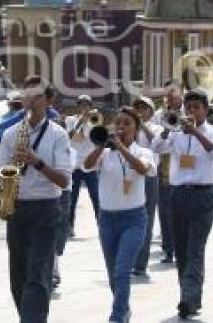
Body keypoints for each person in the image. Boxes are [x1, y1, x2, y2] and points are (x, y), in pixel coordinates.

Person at [0, 76, 71, 323]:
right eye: (28, 95)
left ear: (49, 100)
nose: (31, 100)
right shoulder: (10, 134)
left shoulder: (58, 135)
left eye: (38, 96)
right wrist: (10, 172)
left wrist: (36, 162)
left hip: (46, 208)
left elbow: (64, 180)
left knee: (38, 273)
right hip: (17, 207)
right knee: (18, 276)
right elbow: (0, 171)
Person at [157, 90, 213, 319]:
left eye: (197, 107)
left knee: (195, 249)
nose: (192, 111)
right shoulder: (176, 133)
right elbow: (157, 147)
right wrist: (168, 127)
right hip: (177, 195)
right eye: (189, 107)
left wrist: (195, 132)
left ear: (206, 109)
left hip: (203, 195)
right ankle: (190, 296)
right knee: (182, 251)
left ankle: (188, 298)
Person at [84, 107, 155, 323]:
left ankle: (116, 316)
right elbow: (86, 166)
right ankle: (123, 309)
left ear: (137, 128)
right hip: (107, 219)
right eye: (118, 123)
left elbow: (143, 168)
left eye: (127, 123)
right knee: (113, 272)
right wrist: (101, 146)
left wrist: (122, 147)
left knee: (123, 270)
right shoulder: (105, 153)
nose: (121, 127)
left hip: (133, 219)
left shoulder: (144, 151)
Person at [151, 81, 183, 264]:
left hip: (184, 168)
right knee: (164, 211)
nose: (170, 95)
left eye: (173, 92)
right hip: (164, 167)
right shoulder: (158, 115)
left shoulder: (190, 112)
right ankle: (168, 249)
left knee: (180, 212)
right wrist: (165, 129)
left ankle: (180, 248)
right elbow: (156, 144)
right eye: (167, 92)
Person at [132, 96, 162, 276]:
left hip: (149, 176)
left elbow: (157, 144)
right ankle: (130, 258)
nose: (141, 112)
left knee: (147, 218)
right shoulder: (129, 125)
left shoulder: (156, 127)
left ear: (151, 111)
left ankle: (141, 263)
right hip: (131, 175)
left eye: (144, 108)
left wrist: (142, 125)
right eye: (138, 108)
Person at [64, 95, 100, 237]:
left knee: (96, 198)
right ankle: (69, 227)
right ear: (78, 106)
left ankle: (101, 225)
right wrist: (81, 121)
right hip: (75, 165)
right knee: (72, 199)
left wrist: (90, 122)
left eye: (87, 105)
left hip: (90, 166)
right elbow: (70, 136)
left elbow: (98, 138)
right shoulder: (71, 120)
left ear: (90, 107)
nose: (84, 108)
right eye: (82, 105)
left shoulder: (94, 120)